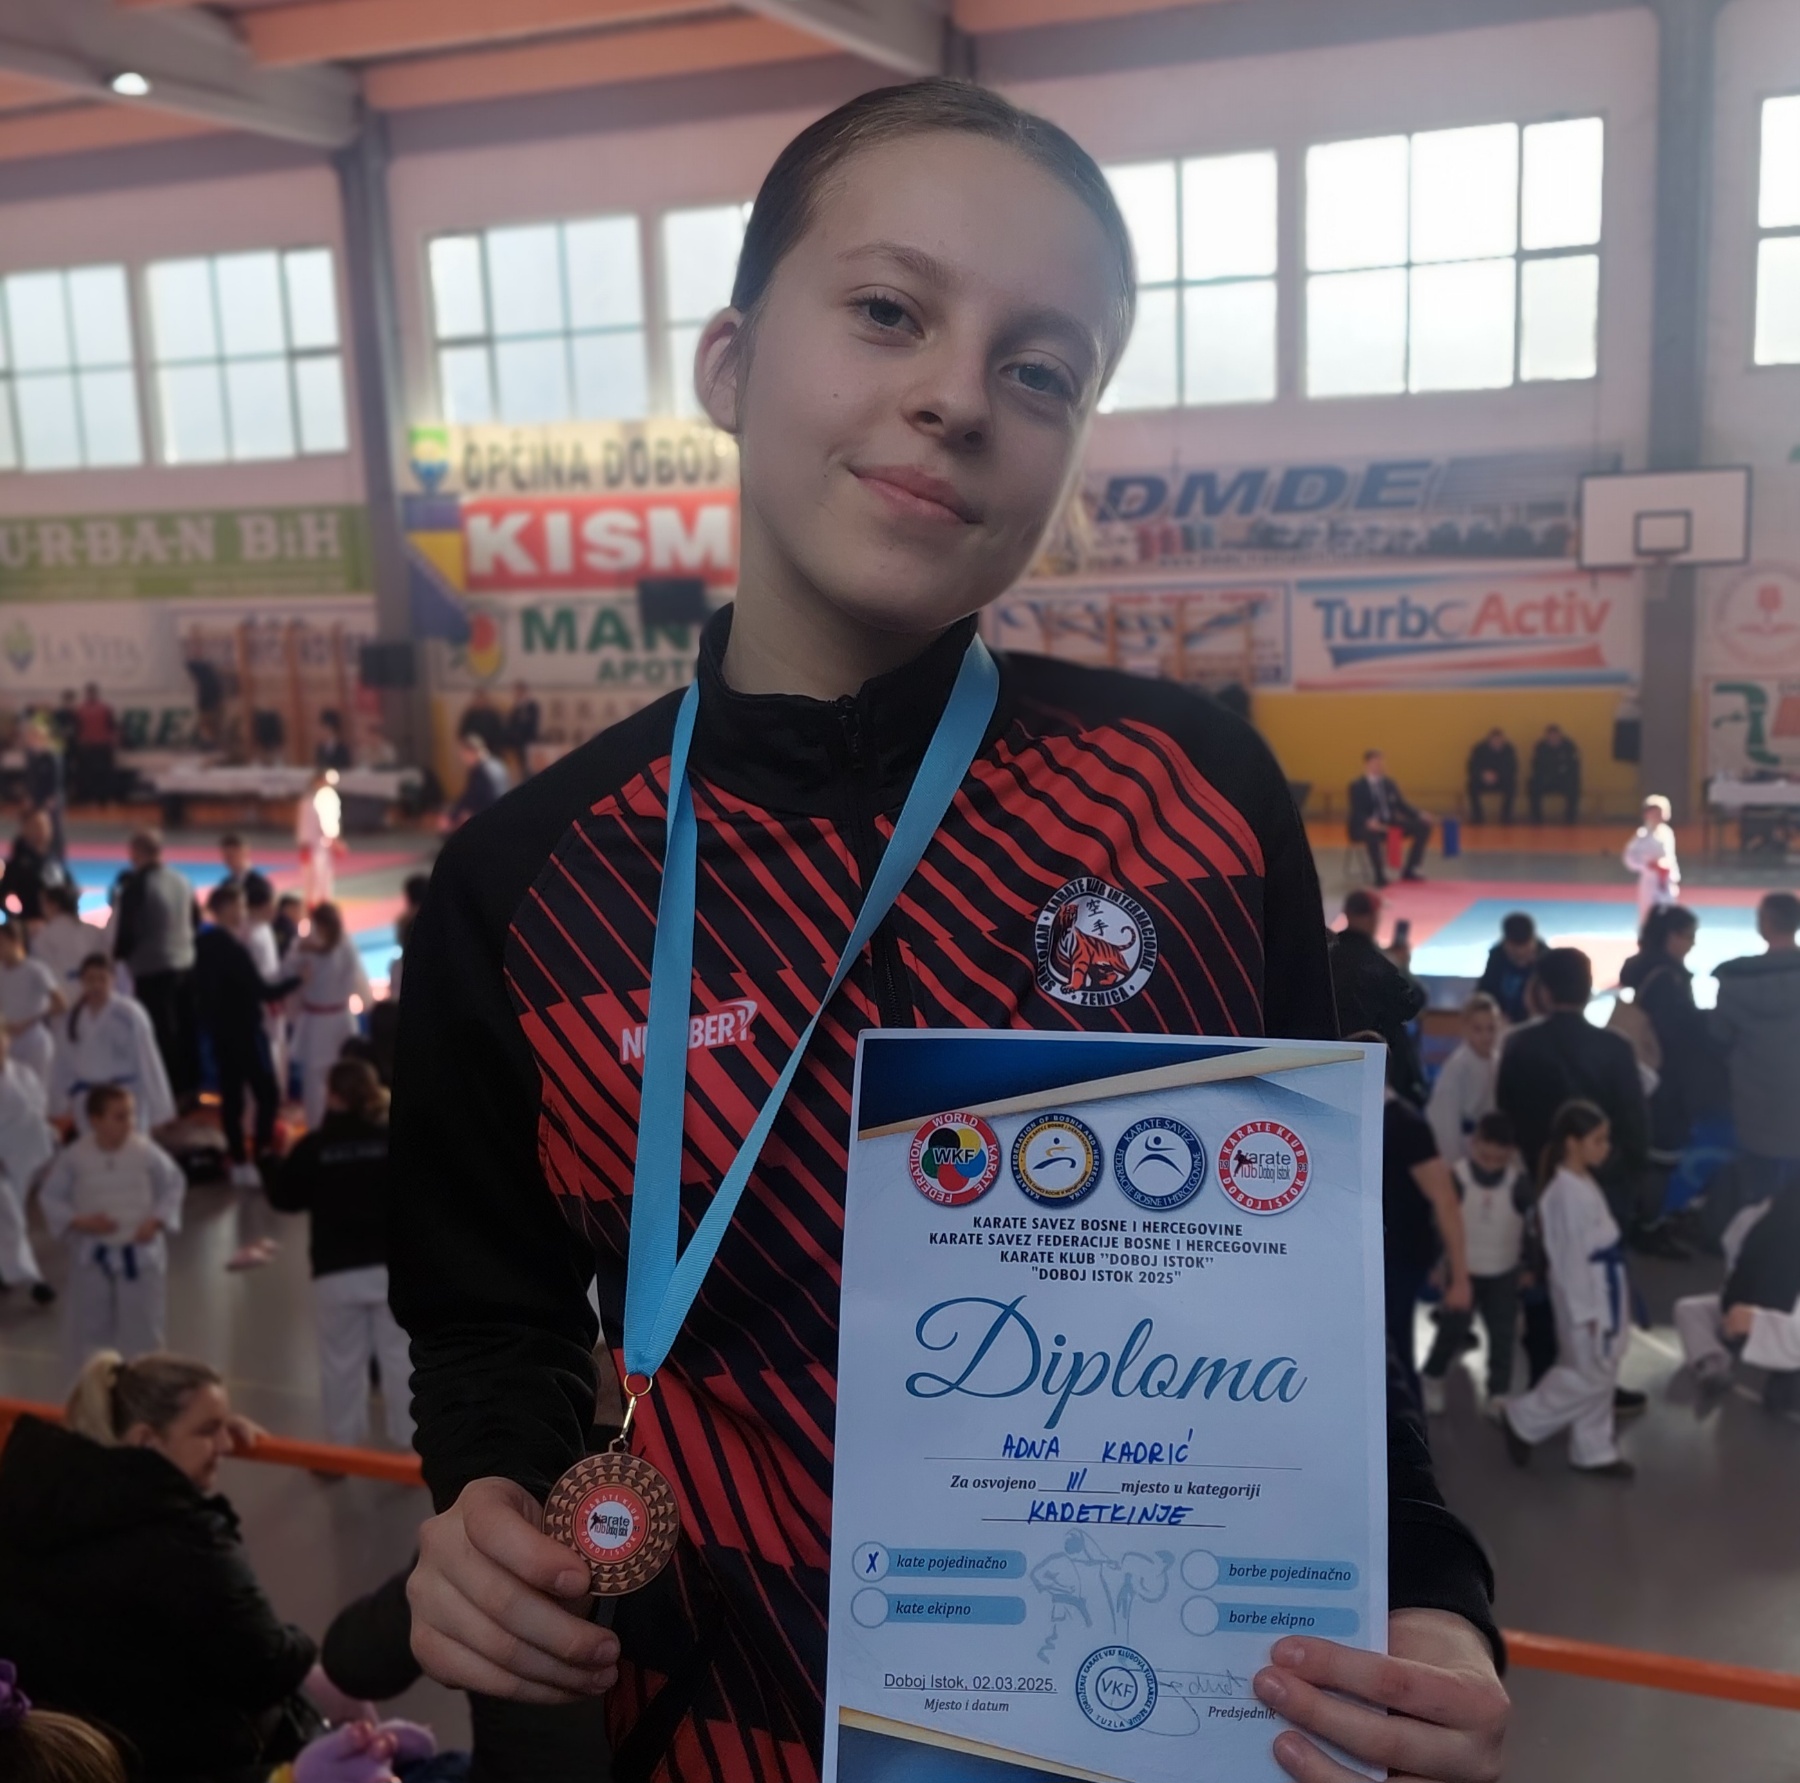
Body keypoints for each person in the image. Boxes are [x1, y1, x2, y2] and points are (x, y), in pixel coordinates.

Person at [390, 81, 1506, 1783]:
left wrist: (1428, 1594)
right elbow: (491, 1319)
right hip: (715, 1738)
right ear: (727, 363)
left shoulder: (1192, 802)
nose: (959, 396)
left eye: (1042, 370)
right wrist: (483, 1501)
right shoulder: (529, 879)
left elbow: (1316, 1302)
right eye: (889, 310)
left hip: (1155, 1735)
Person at [0, 1353, 327, 1781]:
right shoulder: (181, 1535)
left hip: (69, 1756)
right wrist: (307, 1643)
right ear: (147, 1440)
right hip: (180, 1759)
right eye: (208, 1431)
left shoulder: (33, 1501)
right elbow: (268, 1664)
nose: (227, 1445)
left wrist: (206, 1429)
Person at [269, 1057, 413, 1449]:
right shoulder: (393, 1139)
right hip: (391, 1267)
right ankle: (412, 1447)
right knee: (400, 1358)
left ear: (332, 1095)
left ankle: (341, 1444)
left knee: (341, 1361)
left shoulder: (316, 1146)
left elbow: (285, 1198)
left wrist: (273, 1159)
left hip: (336, 1271)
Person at [1501, 1101, 1634, 1478]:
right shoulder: (1564, 1194)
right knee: (1589, 1373)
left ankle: (1593, 1449)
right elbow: (1569, 1262)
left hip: (1604, 1287)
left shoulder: (1582, 1182)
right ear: (1573, 1143)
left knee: (1603, 1369)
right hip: (1586, 1298)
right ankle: (1523, 1417)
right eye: (1598, 1140)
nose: (1606, 1148)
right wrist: (1586, 1313)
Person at [1497, 946, 1650, 1233]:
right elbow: (1636, 1128)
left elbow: (1506, 1114)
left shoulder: (1518, 1044)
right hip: (1605, 1183)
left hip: (1540, 1178)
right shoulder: (1616, 1048)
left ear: (1544, 992)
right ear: (1588, 988)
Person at [41, 1085, 186, 1371]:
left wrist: (156, 1220)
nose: (129, 1123)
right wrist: (81, 1221)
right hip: (93, 1252)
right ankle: (92, 1385)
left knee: (144, 1328)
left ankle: (144, 1385)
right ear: (95, 1120)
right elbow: (51, 1196)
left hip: (140, 1252)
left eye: (131, 1115)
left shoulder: (146, 1152)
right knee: (90, 1328)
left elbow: (174, 1185)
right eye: (119, 1116)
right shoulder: (75, 1156)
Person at [196, 884, 299, 1267]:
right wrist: (298, 980)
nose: (242, 911)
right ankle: (261, 1155)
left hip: (221, 1032)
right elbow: (261, 989)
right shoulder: (232, 948)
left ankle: (240, 1159)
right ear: (224, 909)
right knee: (266, 1092)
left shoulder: (204, 945)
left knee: (232, 1096)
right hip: (243, 1030)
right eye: (237, 906)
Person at [1376, 1038, 1473, 1410]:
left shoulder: (1405, 1125)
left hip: (1400, 1258)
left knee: (1391, 1349)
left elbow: (1445, 1200)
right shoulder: (1382, 1120)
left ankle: (1407, 1429)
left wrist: (1458, 1275)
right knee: (1390, 1345)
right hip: (1387, 1256)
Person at [1420, 1111, 1528, 1415]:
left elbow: (1532, 1230)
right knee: (1452, 1329)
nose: (1491, 1162)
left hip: (1503, 1272)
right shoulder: (1456, 1178)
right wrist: (1437, 1265)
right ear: (1473, 1143)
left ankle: (1498, 1392)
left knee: (1503, 1335)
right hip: (1462, 1272)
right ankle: (1433, 1375)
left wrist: (1530, 1267)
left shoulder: (1519, 1184)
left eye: (1499, 1157)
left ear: (1512, 1152)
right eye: (1485, 1154)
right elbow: (1437, 1225)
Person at [1712, 890, 1800, 1209]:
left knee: (1756, 1198)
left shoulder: (1735, 980)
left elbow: (1719, 1035)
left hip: (1753, 1106)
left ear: (1764, 923)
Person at [1673, 1186, 1800, 1407]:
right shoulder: (1762, 1215)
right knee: (1690, 1308)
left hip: (1756, 1314)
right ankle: (1717, 1362)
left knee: (1689, 1310)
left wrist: (1751, 1316)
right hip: (1755, 1314)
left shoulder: (1758, 1214)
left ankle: (1712, 1363)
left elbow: (1731, 1249)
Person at [1618, 905, 1726, 1155]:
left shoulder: (1647, 969)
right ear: (1671, 936)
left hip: (1649, 1067)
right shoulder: (1668, 979)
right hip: (1666, 1075)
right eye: (1689, 936)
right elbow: (1675, 1031)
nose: (1693, 943)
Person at [110, 830, 199, 1099]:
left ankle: (167, 1091)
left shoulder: (138, 885)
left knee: (160, 1033)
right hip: (185, 962)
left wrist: (117, 957)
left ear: (136, 852)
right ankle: (190, 1087)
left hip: (153, 967)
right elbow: (195, 919)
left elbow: (128, 931)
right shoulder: (181, 880)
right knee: (185, 1029)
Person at [48, 954, 176, 1136]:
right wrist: (58, 1101)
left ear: (113, 980)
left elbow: (148, 1061)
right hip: (87, 1100)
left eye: (102, 979)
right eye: (90, 979)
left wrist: (159, 1110)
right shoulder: (72, 1018)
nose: (96, 985)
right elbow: (62, 1062)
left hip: (124, 1098)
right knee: (92, 1150)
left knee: (130, 1148)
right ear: (82, 981)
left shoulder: (130, 1014)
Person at [1329, 887, 1426, 1104]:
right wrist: (1403, 969)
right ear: (1372, 918)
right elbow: (1409, 1004)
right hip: (1375, 1066)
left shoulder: (1327, 954)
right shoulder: (1378, 964)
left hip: (1327, 1061)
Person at [292, 903, 372, 1128]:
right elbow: (359, 982)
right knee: (336, 1077)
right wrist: (369, 1007)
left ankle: (320, 1128)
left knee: (318, 1080)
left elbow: (287, 976)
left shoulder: (316, 945)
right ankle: (334, 1127)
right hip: (333, 1020)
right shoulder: (340, 945)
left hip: (322, 1022)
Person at [0, 1025, 56, 1307]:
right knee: (10, 1217)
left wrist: (45, 1140)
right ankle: (32, 1279)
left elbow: (38, 1110)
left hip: (23, 1154)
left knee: (12, 1217)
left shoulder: (22, 1073)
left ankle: (7, 1270)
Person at [1426, 992, 1502, 1164]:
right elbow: (1446, 1121)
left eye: (1491, 1028)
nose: (1486, 1036)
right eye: (1478, 1029)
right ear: (1466, 1029)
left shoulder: (1498, 1061)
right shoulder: (1457, 1067)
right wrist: (1455, 1164)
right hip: (1464, 1147)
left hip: (1492, 1147)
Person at [1346, 747, 1432, 884]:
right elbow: (1357, 811)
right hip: (1365, 826)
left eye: (1381, 763)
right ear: (1367, 765)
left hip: (1389, 823)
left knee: (1423, 826)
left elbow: (1401, 805)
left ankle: (1410, 870)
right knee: (1372, 834)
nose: (1379, 766)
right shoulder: (1357, 785)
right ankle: (1379, 875)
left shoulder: (1389, 783)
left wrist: (1419, 814)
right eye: (1375, 763)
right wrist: (1368, 821)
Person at [0, 921, 64, 1089]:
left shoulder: (35, 969)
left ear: (16, 941)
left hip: (34, 1038)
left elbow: (61, 1004)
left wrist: (29, 1021)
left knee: (37, 1088)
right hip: (8, 1039)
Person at [32, 881, 104, 995]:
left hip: (64, 999)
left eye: (43, 904)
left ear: (53, 905)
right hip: (97, 996)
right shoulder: (93, 931)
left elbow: (46, 979)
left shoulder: (43, 938)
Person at [1476, 911, 1546, 1025]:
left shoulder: (1546, 959)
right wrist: (1494, 1014)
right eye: (1514, 952)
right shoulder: (1497, 957)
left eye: (1526, 950)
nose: (1520, 953)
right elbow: (1484, 992)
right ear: (1505, 943)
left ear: (1533, 941)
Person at [1622, 794, 1680, 927]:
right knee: (1649, 914)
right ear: (1647, 814)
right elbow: (1629, 857)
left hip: (1666, 880)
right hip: (1650, 880)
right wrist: (1649, 865)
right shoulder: (1642, 835)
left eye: (1661, 812)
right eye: (1655, 813)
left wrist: (1674, 876)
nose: (1659, 816)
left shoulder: (1667, 832)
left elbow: (1671, 857)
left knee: (1669, 913)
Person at [1, 808, 67, 924]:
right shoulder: (17, 866)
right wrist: (20, 922)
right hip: (32, 925)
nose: (42, 830)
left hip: (57, 924)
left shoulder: (53, 861)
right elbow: (2, 896)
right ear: (25, 829)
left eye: (46, 825)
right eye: (37, 826)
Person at [22, 717, 67, 868]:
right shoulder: (32, 756)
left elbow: (57, 779)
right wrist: (29, 796)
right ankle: (36, 855)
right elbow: (30, 778)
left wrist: (52, 797)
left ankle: (58, 857)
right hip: (37, 796)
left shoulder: (52, 756)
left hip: (51, 797)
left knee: (54, 828)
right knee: (35, 826)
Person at [440, 733, 510, 831]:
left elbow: (471, 797)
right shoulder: (498, 764)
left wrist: (452, 816)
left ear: (471, 751)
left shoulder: (481, 771)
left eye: (464, 754)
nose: (462, 758)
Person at [298, 771, 345, 907]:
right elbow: (307, 824)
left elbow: (332, 821)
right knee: (313, 878)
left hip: (324, 843)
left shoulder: (329, 797)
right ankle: (313, 907)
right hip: (313, 843)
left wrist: (335, 839)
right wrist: (304, 844)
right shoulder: (310, 800)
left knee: (324, 877)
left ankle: (324, 906)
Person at [71, 682, 118, 807]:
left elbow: (111, 726)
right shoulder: (80, 709)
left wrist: (112, 741)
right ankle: (91, 798)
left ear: (96, 693)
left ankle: (106, 798)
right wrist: (80, 742)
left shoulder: (105, 708)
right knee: (88, 775)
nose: (91, 694)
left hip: (103, 745)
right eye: (89, 692)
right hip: (87, 746)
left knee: (105, 773)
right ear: (86, 694)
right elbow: (77, 728)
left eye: (92, 692)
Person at [1527, 723, 1581, 824]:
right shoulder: (1541, 747)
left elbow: (1574, 766)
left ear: (1560, 735)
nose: (1553, 738)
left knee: (1574, 785)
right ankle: (1537, 819)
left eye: (1555, 735)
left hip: (1563, 780)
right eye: (1551, 736)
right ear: (1547, 736)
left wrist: (1563, 773)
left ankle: (1570, 819)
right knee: (1533, 785)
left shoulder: (1568, 746)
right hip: (1546, 779)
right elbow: (1536, 766)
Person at [1465, 727, 1517, 825]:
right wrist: (1483, 775)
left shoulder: (1508, 750)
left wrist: (1498, 776)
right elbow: (1472, 766)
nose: (1496, 742)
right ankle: (1478, 816)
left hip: (1502, 780)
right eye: (1494, 740)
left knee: (1512, 786)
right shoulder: (1480, 749)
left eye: (1499, 740)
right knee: (1472, 786)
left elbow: (1512, 768)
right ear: (1489, 740)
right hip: (1483, 779)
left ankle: (1506, 817)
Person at [503, 681, 541, 779]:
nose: (516, 694)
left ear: (524, 691)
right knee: (522, 767)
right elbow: (511, 724)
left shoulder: (531, 706)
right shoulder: (517, 707)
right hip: (518, 743)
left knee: (529, 767)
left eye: (518, 691)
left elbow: (532, 724)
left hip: (529, 742)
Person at [455, 690, 506, 757]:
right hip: (475, 748)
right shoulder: (470, 715)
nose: (481, 702)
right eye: (479, 699)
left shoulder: (493, 715)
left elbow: (499, 732)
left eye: (482, 699)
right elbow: (463, 732)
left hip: (492, 748)